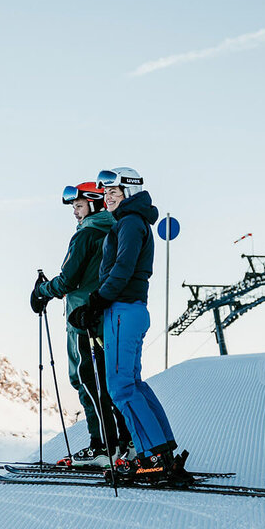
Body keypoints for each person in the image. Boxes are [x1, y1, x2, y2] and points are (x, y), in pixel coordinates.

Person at [69, 167, 188, 482]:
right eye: (106, 193)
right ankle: (162, 452)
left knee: (120, 387)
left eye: (114, 192)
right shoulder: (129, 221)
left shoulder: (131, 222)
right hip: (126, 309)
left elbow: (123, 267)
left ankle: (153, 458)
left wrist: (96, 301)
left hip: (123, 310)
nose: (108, 197)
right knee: (133, 384)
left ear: (129, 193)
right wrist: (98, 304)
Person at [30, 182, 132, 467]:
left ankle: (101, 446)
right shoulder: (114, 230)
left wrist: (41, 291)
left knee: (85, 379)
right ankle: (125, 442)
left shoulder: (86, 234)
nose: (75, 212)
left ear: (94, 204)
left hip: (81, 319)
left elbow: (68, 281)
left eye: (78, 206)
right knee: (107, 381)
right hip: (106, 316)